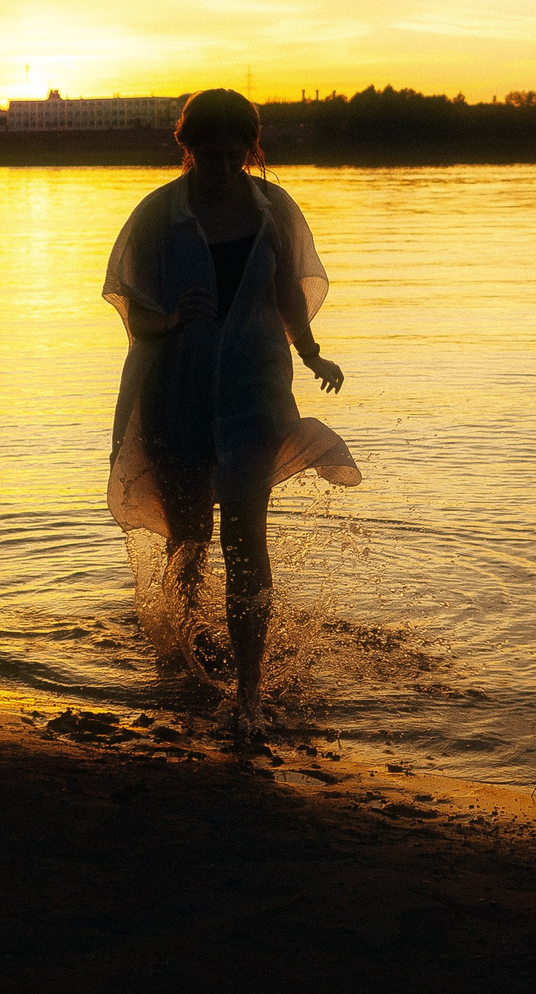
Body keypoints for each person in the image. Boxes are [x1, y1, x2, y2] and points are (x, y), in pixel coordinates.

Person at [102, 88, 357, 726]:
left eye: (233, 153)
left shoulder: (273, 209)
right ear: (185, 148)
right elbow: (129, 302)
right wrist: (166, 319)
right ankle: (179, 661)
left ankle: (246, 693)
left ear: (250, 148)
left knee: (248, 542)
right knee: (189, 540)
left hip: (254, 394)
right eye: (206, 153)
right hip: (175, 392)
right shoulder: (159, 214)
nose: (220, 165)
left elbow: (289, 292)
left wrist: (312, 353)